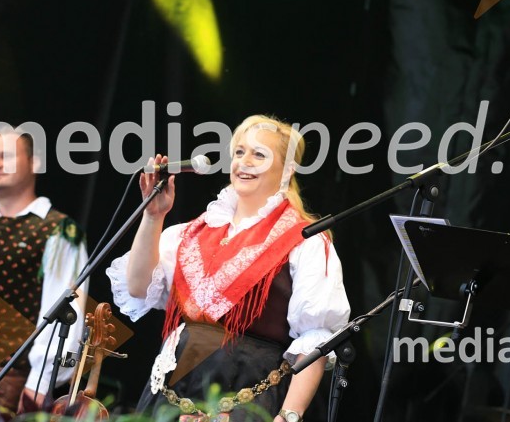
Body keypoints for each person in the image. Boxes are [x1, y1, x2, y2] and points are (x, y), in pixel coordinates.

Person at [107, 115, 351, 422]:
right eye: (239, 152)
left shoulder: (304, 241)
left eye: (259, 154)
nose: (244, 161)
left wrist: (289, 415)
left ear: (287, 170)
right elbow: (138, 286)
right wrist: (153, 218)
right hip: (170, 398)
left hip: (244, 400)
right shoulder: (192, 233)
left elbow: (317, 338)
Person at [0, 128, 88, 421]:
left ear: (35, 163)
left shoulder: (60, 230)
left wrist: (39, 381)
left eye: (7, 156)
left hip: (3, 376)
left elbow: (66, 305)